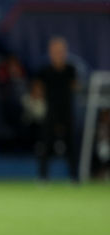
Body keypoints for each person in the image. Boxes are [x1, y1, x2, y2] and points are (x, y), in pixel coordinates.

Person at [38, 36, 79, 180]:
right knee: (46, 144)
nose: (58, 54)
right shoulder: (45, 71)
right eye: (55, 51)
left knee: (71, 145)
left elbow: (75, 87)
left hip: (67, 111)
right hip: (51, 112)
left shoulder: (70, 70)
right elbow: (39, 90)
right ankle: (43, 177)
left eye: (60, 51)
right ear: (50, 52)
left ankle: (74, 177)